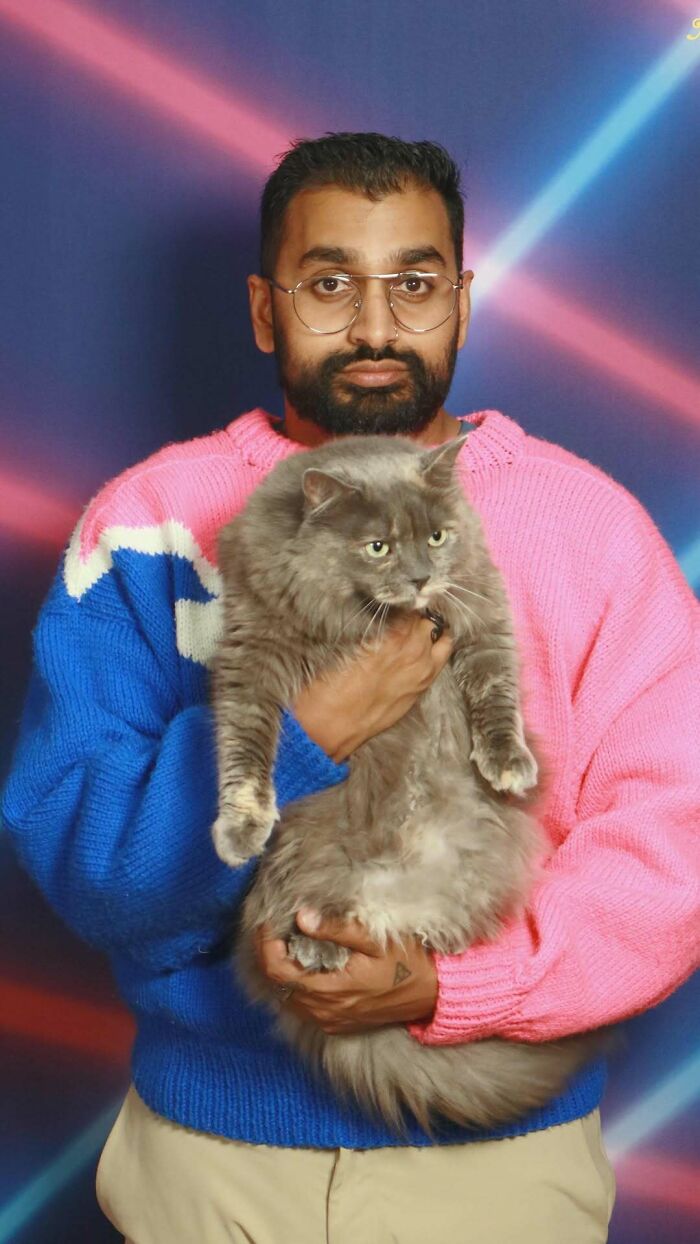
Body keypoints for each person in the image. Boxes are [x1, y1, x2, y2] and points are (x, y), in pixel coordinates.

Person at [2, 132, 698, 1244]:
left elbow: (676, 843)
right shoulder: (146, 523)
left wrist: (451, 986)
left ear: (462, 300)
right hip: (208, 1163)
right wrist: (304, 734)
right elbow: (80, 853)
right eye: (329, 283)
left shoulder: (592, 528)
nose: (375, 326)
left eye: (414, 284)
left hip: (495, 1174)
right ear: (266, 308)